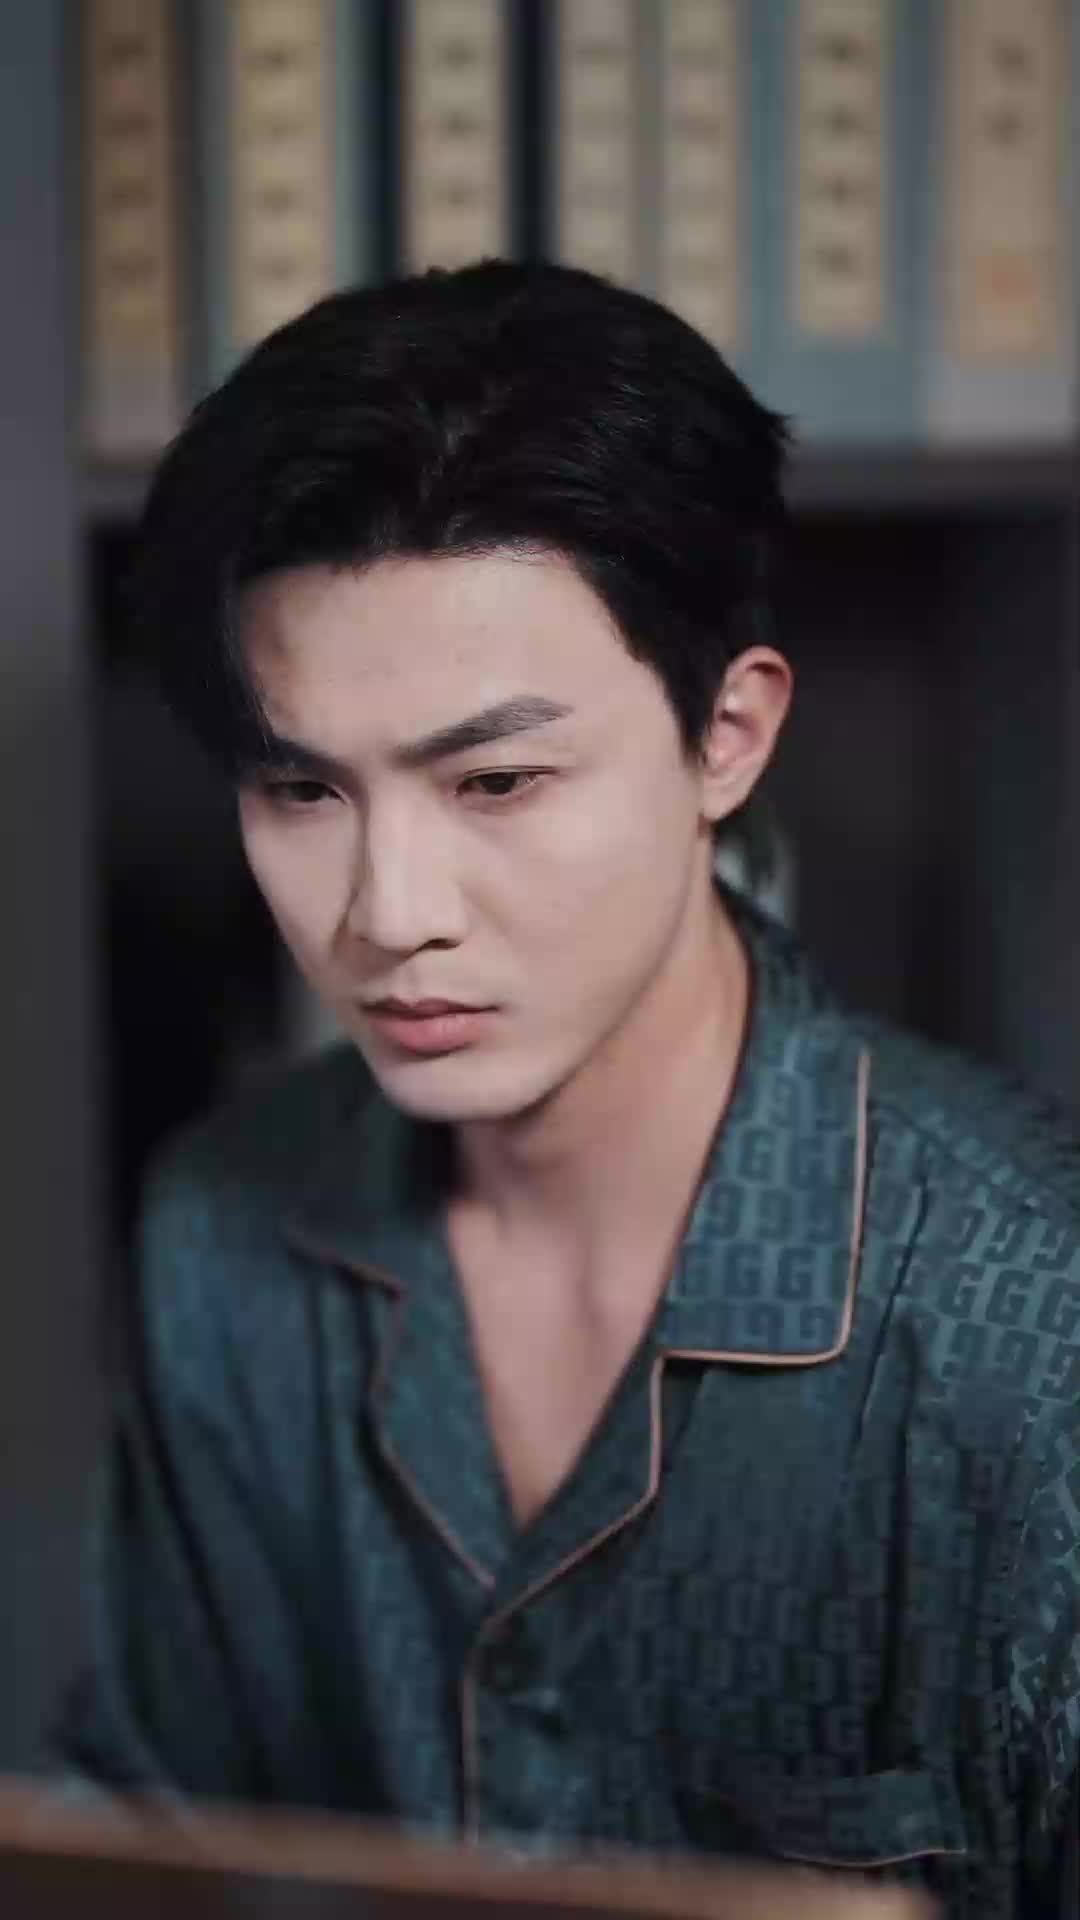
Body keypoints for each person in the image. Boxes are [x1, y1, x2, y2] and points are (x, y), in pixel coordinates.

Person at [57, 262, 1078, 1919]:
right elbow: (141, 1859)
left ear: (726, 737)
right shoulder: (224, 1242)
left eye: (498, 780)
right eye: (301, 789)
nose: (390, 913)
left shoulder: (1032, 1321)